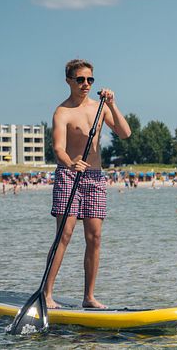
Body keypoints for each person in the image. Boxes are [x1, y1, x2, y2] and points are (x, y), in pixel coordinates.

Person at [45, 59, 132, 309]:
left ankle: (89, 297)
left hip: (94, 177)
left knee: (94, 238)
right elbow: (58, 148)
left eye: (90, 80)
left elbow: (125, 133)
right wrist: (70, 162)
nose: (85, 84)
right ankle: (47, 294)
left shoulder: (100, 107)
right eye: (80, 79)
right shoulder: (62, 112)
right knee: (64, 235)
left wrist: (113, 105)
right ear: (69, 81)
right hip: (69, 175)